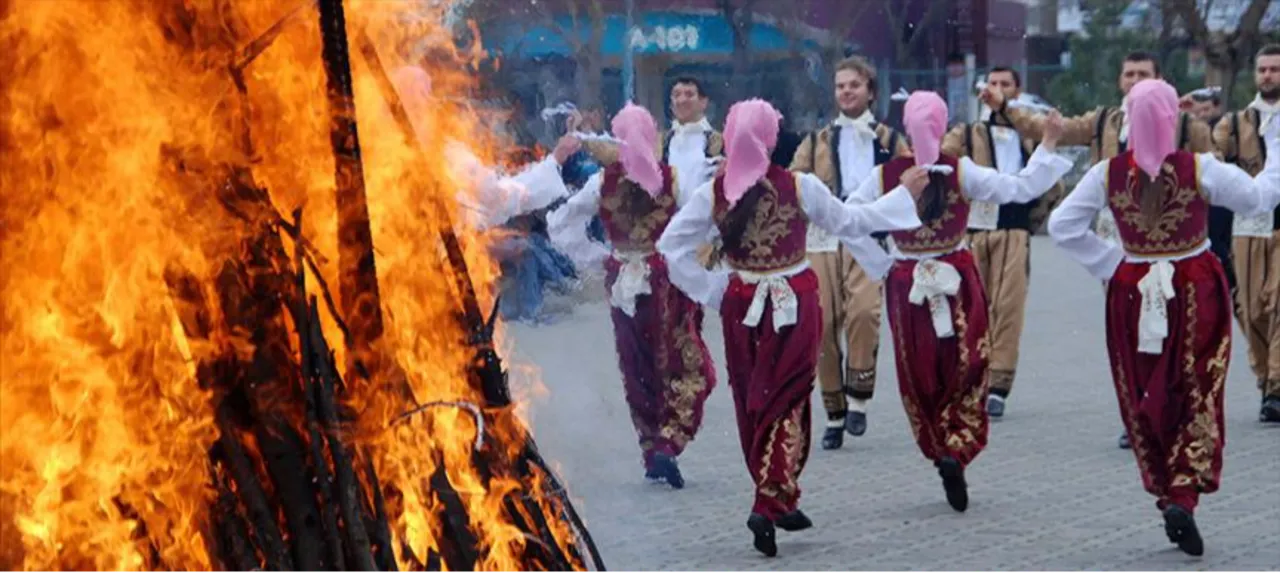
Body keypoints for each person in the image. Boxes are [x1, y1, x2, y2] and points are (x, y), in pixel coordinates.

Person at [656, 99, 923, 557]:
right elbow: (851, 221)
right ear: (771, 138)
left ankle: (778, 495)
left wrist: (714, 288)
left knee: (756, 402)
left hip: (743, 305)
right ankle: (769, 497)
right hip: (794, 301)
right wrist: (904, 199)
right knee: (789, 399)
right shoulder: (800, 186)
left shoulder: (713, 193)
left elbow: (670, 245)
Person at [1047, 79, 1280, 556]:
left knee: (1146, 384)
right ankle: (1184, 492)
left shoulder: (1106, 174)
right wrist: (1276, 152)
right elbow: (1259, 200)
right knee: (1196, 387)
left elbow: (1061, 226)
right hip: (1195, 285)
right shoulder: (1201, 168)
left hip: (1132, 290)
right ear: (1173, 118)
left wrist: (1110, 261)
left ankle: (1163, 481)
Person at [845, 91, 1072, 513]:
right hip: (955, 274)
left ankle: (939, 446)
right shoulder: (959, 169)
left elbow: (849, 220)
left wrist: (880, 262)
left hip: (907, 280)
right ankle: (957, 446)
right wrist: (1048, 145)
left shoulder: (886, 174)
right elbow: (1018, 188)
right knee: (967, 364)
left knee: (919, 373)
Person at [986, 50, 1214, 449]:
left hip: (1173, 244)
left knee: (1176, 326)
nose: (1134, 80)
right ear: (1120, 81)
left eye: (1143, 74)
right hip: (1116, 238)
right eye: (1129, 74)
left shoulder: (1185, 124)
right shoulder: (1104, 121)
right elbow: (1051, 128)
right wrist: (1006, 106)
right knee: (1131, 324)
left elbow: (1211, 176)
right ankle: (1139, 411)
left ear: (1159, 78)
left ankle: (1174, 407)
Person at [546, 104, 716, 488]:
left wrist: (601, 258)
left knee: (637, 364)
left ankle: (652, 445)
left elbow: (561, 225)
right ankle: (669, 442)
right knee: (686, 363)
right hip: (665, 280)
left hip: (623, 279)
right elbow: (701, 224)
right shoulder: (674, 179)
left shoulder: (602, 182)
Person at [789, 56, 909, 448]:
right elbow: (794, 186)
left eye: (854, 85)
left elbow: (911, 186)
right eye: (840, 86)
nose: (846, 91)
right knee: (821, 325)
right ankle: (834, 410)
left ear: (870, 90)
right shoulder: (815, 141)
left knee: (863, 313)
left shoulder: (891, 142)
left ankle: (858, 399)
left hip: (869, 238)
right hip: (824, 240)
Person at [943, 66, 1063, 418]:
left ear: (1016, 90)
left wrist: (1030, 220)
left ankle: (998, 384)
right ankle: (970, 377)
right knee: (971, 307)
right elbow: (943, 162)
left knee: (1008, 307)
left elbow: (1051, 182)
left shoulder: (1029, 134)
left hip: (1013, 230)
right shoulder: (967, 133)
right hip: (975, 231)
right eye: (992, 83)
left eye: (1005, 84)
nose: (996, 89)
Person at [390, 65, 580, 232]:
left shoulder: (446, 152)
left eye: (429, 92)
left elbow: (497, 193)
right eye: (421, 95)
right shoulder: (443, 156)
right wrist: (557, 157)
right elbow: (500, 197)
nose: (432, 102)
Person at [578, 77, 725, 267]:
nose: (682, 100)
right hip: (665, 238)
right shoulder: (661, 141)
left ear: (703, 102)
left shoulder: (719, 142)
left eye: (689, 95)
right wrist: (583, 136)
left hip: (706, 240)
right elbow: (620, 154)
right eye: (676, 95)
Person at [1213, 44, 1280, 423]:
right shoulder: (1236, 123)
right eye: (1263, 69)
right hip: (1248, 228)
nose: (1268, 75)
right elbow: (1212, 156)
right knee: (1252, 309)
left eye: (1275, 69)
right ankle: (1266, 382)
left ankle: (1277, 387)